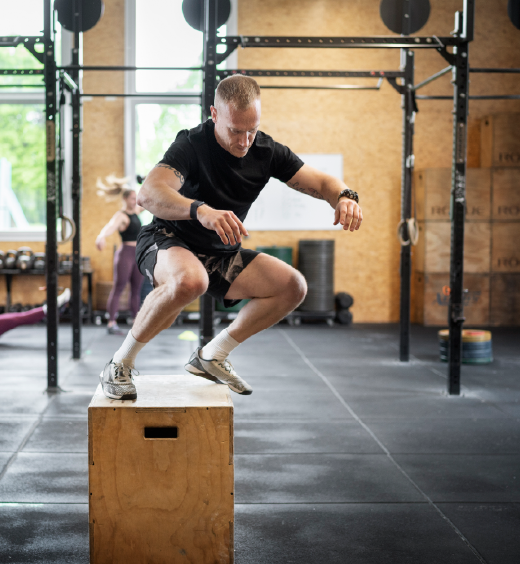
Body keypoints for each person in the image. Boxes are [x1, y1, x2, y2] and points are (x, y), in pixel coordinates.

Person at [100, 75, 363, 400]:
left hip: (220, 252)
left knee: (293, 286)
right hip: (168, 238)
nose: (244, 141)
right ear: (214, 114)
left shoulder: (266, 151)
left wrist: (346, 196)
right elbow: (149, 193)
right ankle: (118, 364)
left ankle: (212, 355)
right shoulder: (191, 145)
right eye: (236, 130)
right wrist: (200, 210)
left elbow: (322, 181)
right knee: (190, 281)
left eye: (251, 130)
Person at [94, 175, 145, 336]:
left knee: (136, 289)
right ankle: (111, 322)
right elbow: (110, 226)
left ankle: (136, 323)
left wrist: (146, 181)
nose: (134, 201)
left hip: (137, 254)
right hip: (125, 254)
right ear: (124, 199)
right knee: (119, 287)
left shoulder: (136, 211)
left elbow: (150, 198)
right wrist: (101, 237)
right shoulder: (121, 216)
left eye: (135, 198)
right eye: (131, 198)